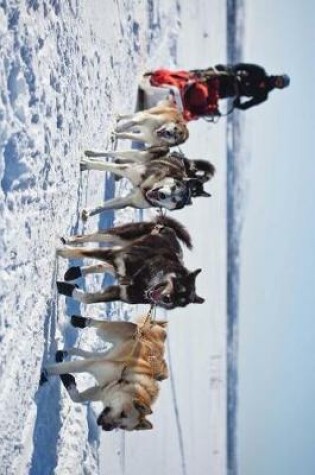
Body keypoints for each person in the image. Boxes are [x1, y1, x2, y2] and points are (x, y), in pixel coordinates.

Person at [147, 64, 290, 120]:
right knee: (194, 82)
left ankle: (169, 111)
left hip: (223, 92)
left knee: (203, 104)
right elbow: (241, 66)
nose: (277, 82)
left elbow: (246, 106)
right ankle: (165, 81)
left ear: (279, 87)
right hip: (222, 78)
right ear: (277, 76)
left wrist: (237, 102)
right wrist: (231, 72)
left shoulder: (263, 96)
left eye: (279, 84)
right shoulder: (260, 71)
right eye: (279, 79)